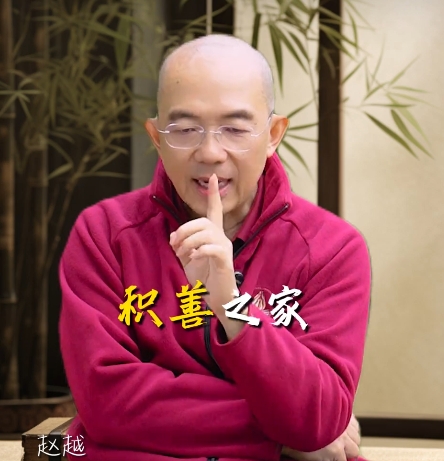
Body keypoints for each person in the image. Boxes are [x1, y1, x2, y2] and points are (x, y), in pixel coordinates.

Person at [59, 34, 371, 461]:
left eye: (235, 129)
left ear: (273, 134)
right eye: (185, 129)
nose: (209, 152)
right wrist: (279, 437)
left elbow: (317, 416)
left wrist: (232, 306)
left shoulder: (332, 249)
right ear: (156, 137)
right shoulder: (105, 234)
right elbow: (105, 403)